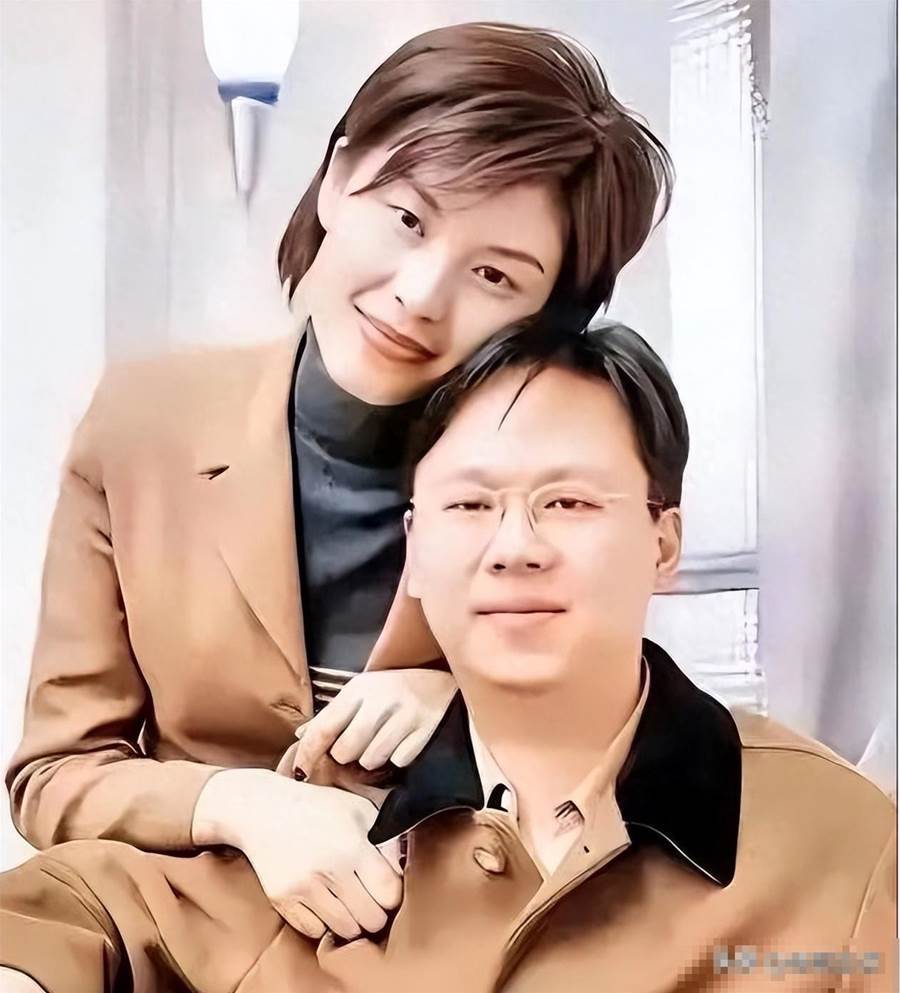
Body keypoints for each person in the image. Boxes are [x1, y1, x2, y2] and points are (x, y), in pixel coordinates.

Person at [4, 20, 673, 943]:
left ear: (549, 319)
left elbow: (626, 727)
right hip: (175, 936)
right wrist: (243, 805)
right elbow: (54, 777)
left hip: (456, 939)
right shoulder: (142, 422)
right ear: (337, 174)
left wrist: (467, 705)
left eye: (493, 273)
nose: (420, 294)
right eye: (408, 219)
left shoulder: (562, 488)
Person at [1, 324, 895, 993]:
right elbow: (77, 910)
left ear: (664, 544)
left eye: (569, 503)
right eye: (470, 507)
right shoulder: (332, 823)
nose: (515, 547)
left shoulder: (837, 843)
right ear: (416, 552)